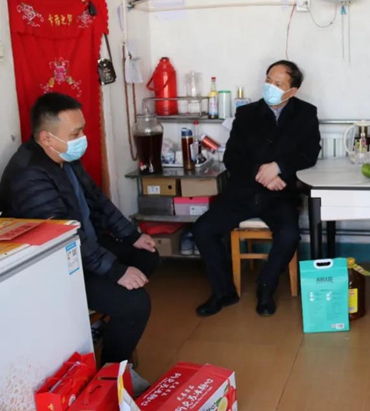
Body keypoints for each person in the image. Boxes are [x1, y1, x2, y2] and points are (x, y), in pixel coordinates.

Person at [0, 93, 159, 371]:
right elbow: (64, 238)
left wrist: (131, 235)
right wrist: (116, 271)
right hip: (61, 267)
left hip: (87, 246)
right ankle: (112, 373)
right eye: (75, 133)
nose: (82, 138)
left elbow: (96, 199)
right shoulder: (29, 175)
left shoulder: (64, 156)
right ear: (47, 137)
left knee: (147, 255)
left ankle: (102, 322)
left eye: (82, 130)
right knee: (135, 304)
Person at [194, 60, 321, 318]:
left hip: (280, 195)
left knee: (289, 236)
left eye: (278, 84)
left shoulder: (306, 113)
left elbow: (309, 154)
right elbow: (232, 157)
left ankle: (266, 287)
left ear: (292, 91)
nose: (269, 86)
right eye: (268, 80)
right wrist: (262, 174)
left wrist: (279, 167)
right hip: (243, 191)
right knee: (203, 229)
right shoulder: (246, 114)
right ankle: (223, 292)